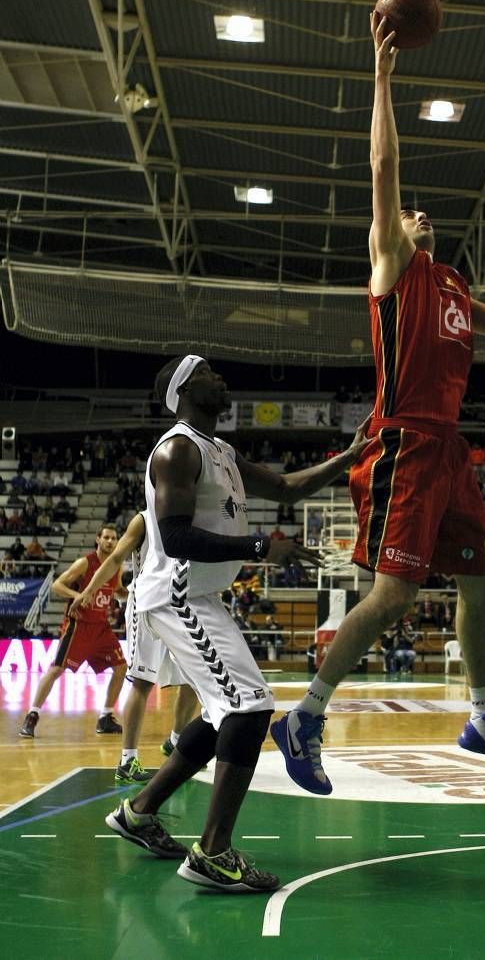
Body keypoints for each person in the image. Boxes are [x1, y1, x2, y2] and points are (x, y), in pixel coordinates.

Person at [270, 11, 485, 797]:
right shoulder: (394, 267)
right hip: (404, 444)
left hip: (451, 450)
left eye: (425, 214)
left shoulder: (455, 281)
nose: (419, 213)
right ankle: (307, 715)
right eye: (409, 211)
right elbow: (383, 167)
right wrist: (384, 78)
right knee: (393, 596)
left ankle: (484, 715)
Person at [104, 354, 368, 893]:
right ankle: (213, 852)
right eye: (204, 372)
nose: (217, 377)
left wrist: (353, 455)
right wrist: (260, 547)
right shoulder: (177, 450)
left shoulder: (220, 451)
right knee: (250, 707)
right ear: (182, 390)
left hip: (200, 596)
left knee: (229, 709)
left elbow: (289, 488)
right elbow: (175, 537)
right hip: (177, 596)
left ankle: (140, 810)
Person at [76, 511, 201, 783]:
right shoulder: (143, 519)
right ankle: (127, 759)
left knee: (194, 678)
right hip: (146, 604)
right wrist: (89, 591)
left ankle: (177, 741)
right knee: (142, 682)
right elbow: (116, 559)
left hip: (181, 603)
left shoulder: (194, 515)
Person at [19, 525, 128, 738]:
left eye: (114, 539)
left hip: (101, 629)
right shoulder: (85, 563)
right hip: (78, 626)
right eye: (106, 537)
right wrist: (76, 595)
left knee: (121, 667)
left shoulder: (117, 567)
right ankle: (32, 715)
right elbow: (57, 585)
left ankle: (105, 717)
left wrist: (132, 593)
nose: (110, 541)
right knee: (56, 670)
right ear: (98, 539)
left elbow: (118, 591)